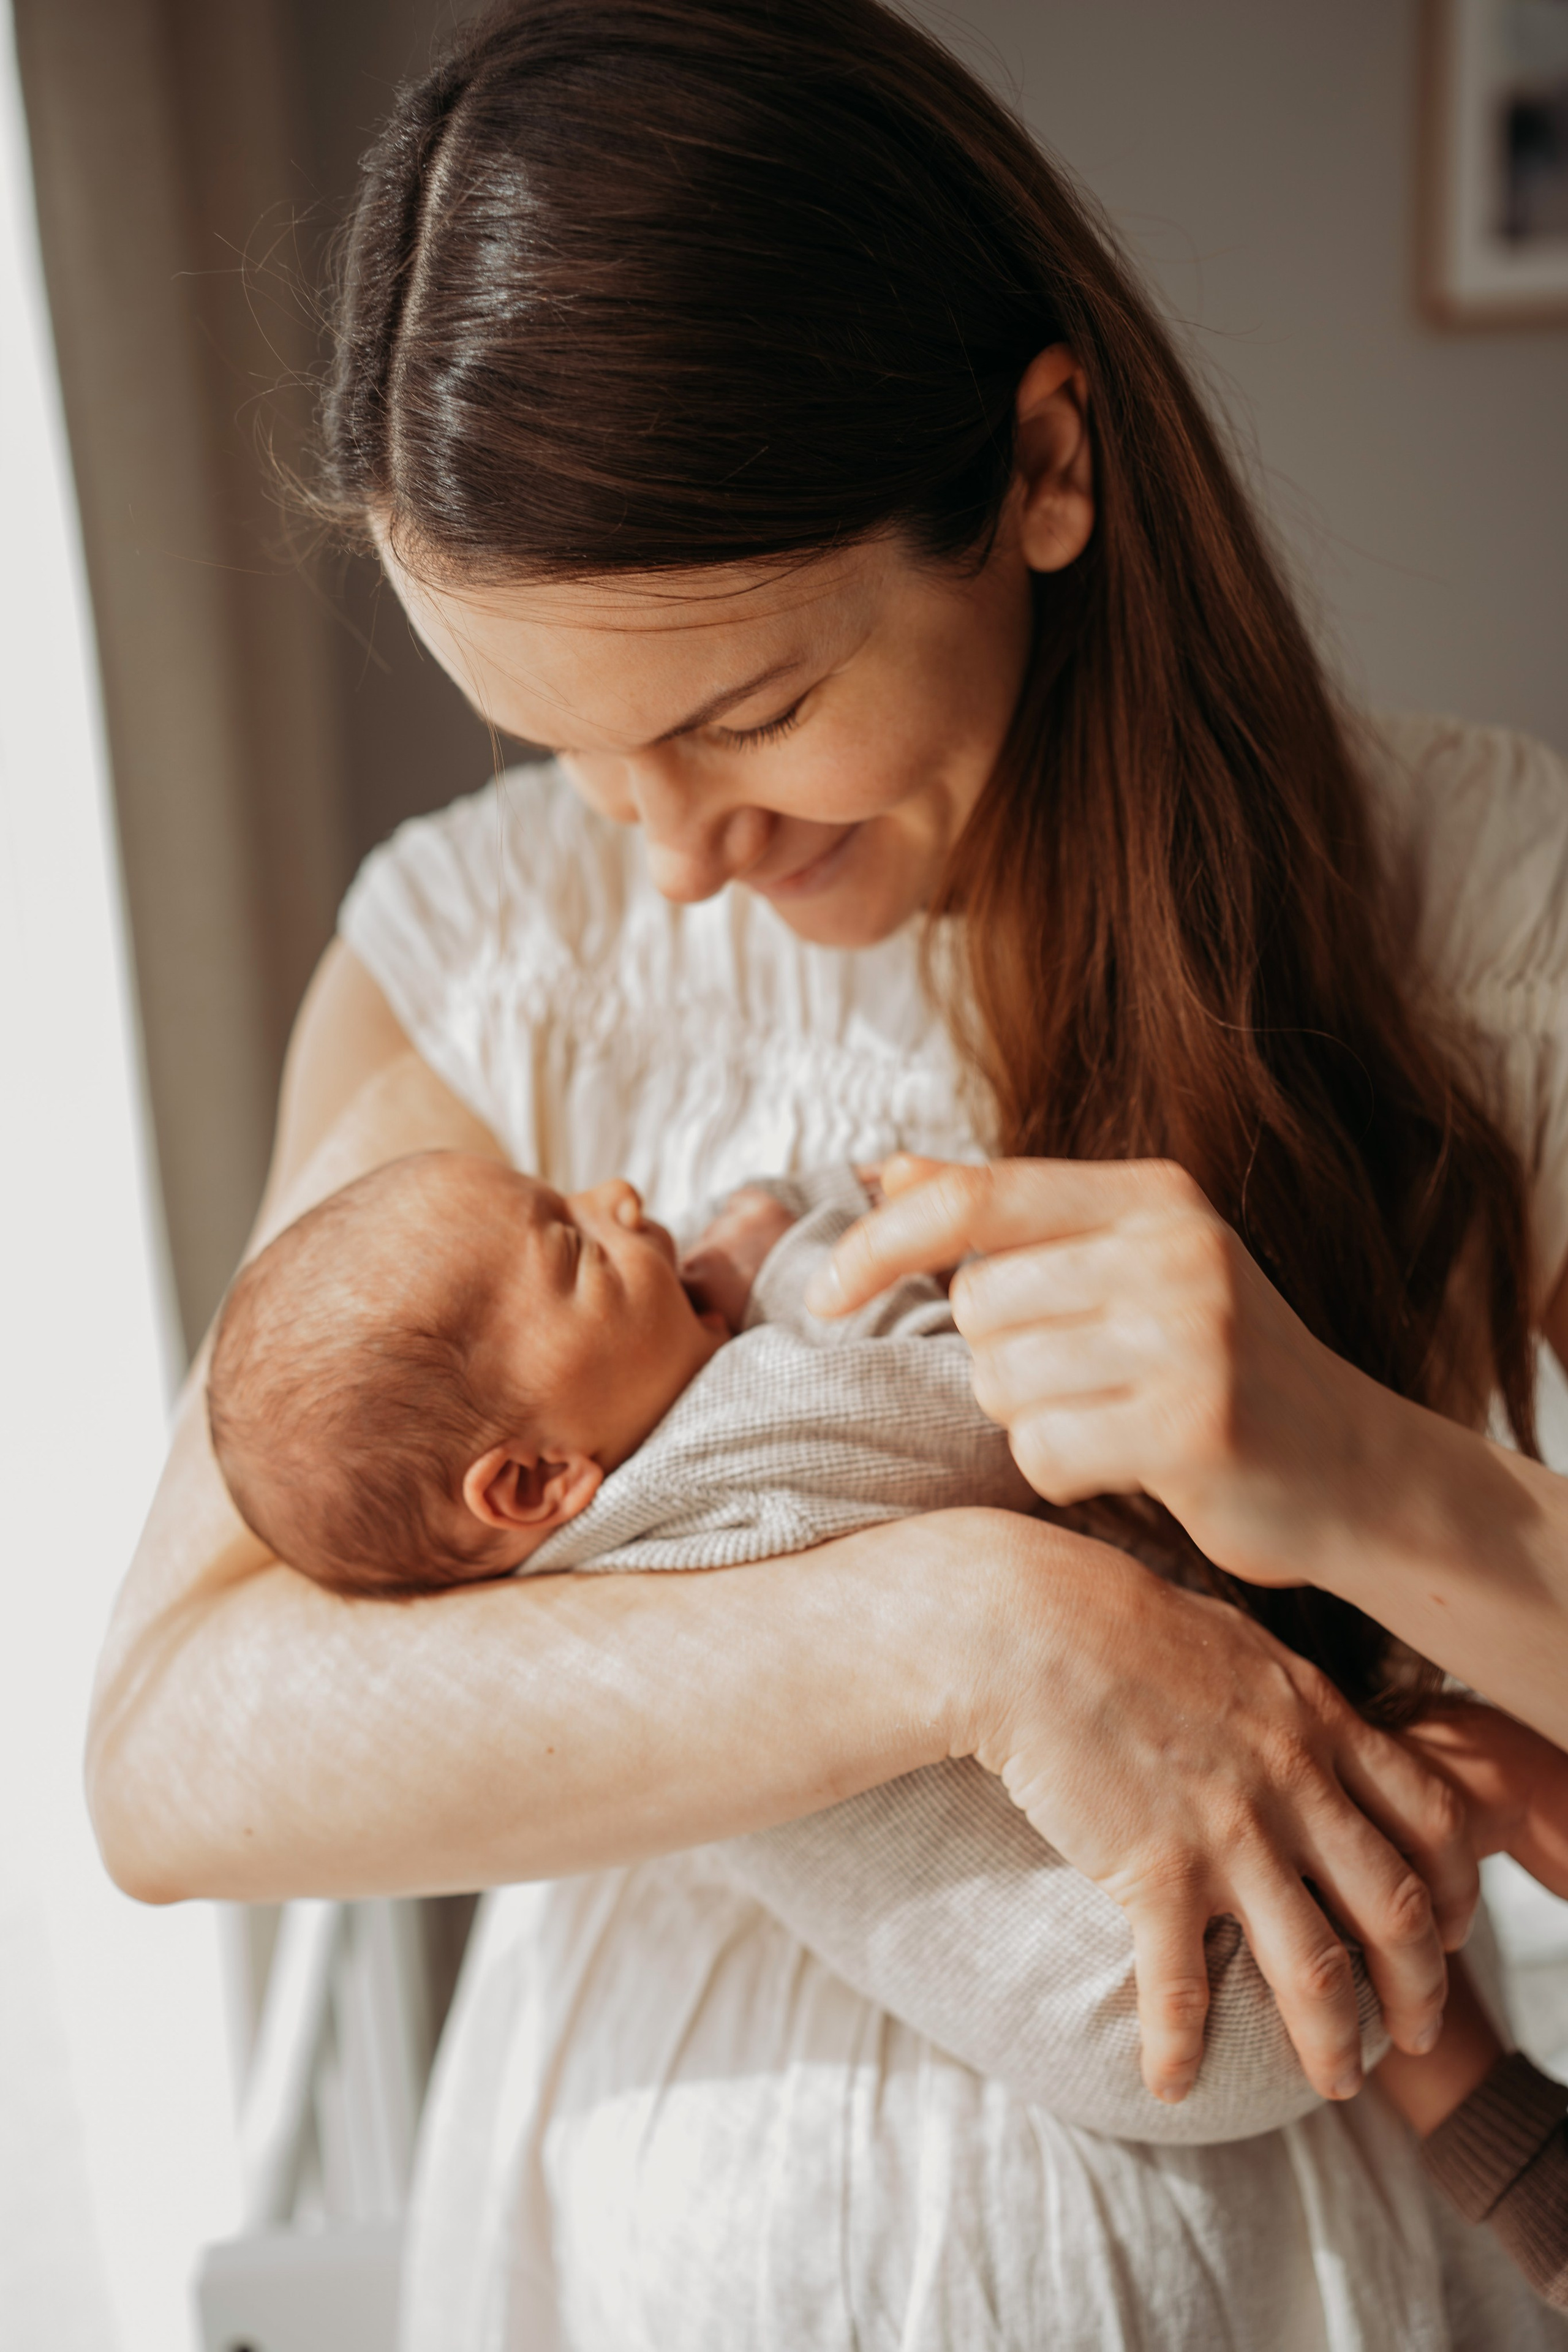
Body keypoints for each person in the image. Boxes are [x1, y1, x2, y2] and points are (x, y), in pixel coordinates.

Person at [86, 0, 1568, 2340]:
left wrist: (1364, 1478)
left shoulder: (1483, 911)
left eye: (748, 714)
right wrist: (966, 1632)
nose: (674, 861)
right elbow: (178, 1761)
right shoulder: (493, 950)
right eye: (576, 755)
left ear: (1044, 469)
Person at [206, 1142, 1568, 2304]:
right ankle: (1484, 1785)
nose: (618, 1199)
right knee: (1387, 1820)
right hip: (1182, 1980)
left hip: (1161, 2014)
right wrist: (804, 1261)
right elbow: (958, 1421)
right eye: (569, 1248)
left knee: (1376, 1945)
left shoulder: (576, 1605)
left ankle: (1524, 2173)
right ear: (529, 1483)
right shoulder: (718, 1449)